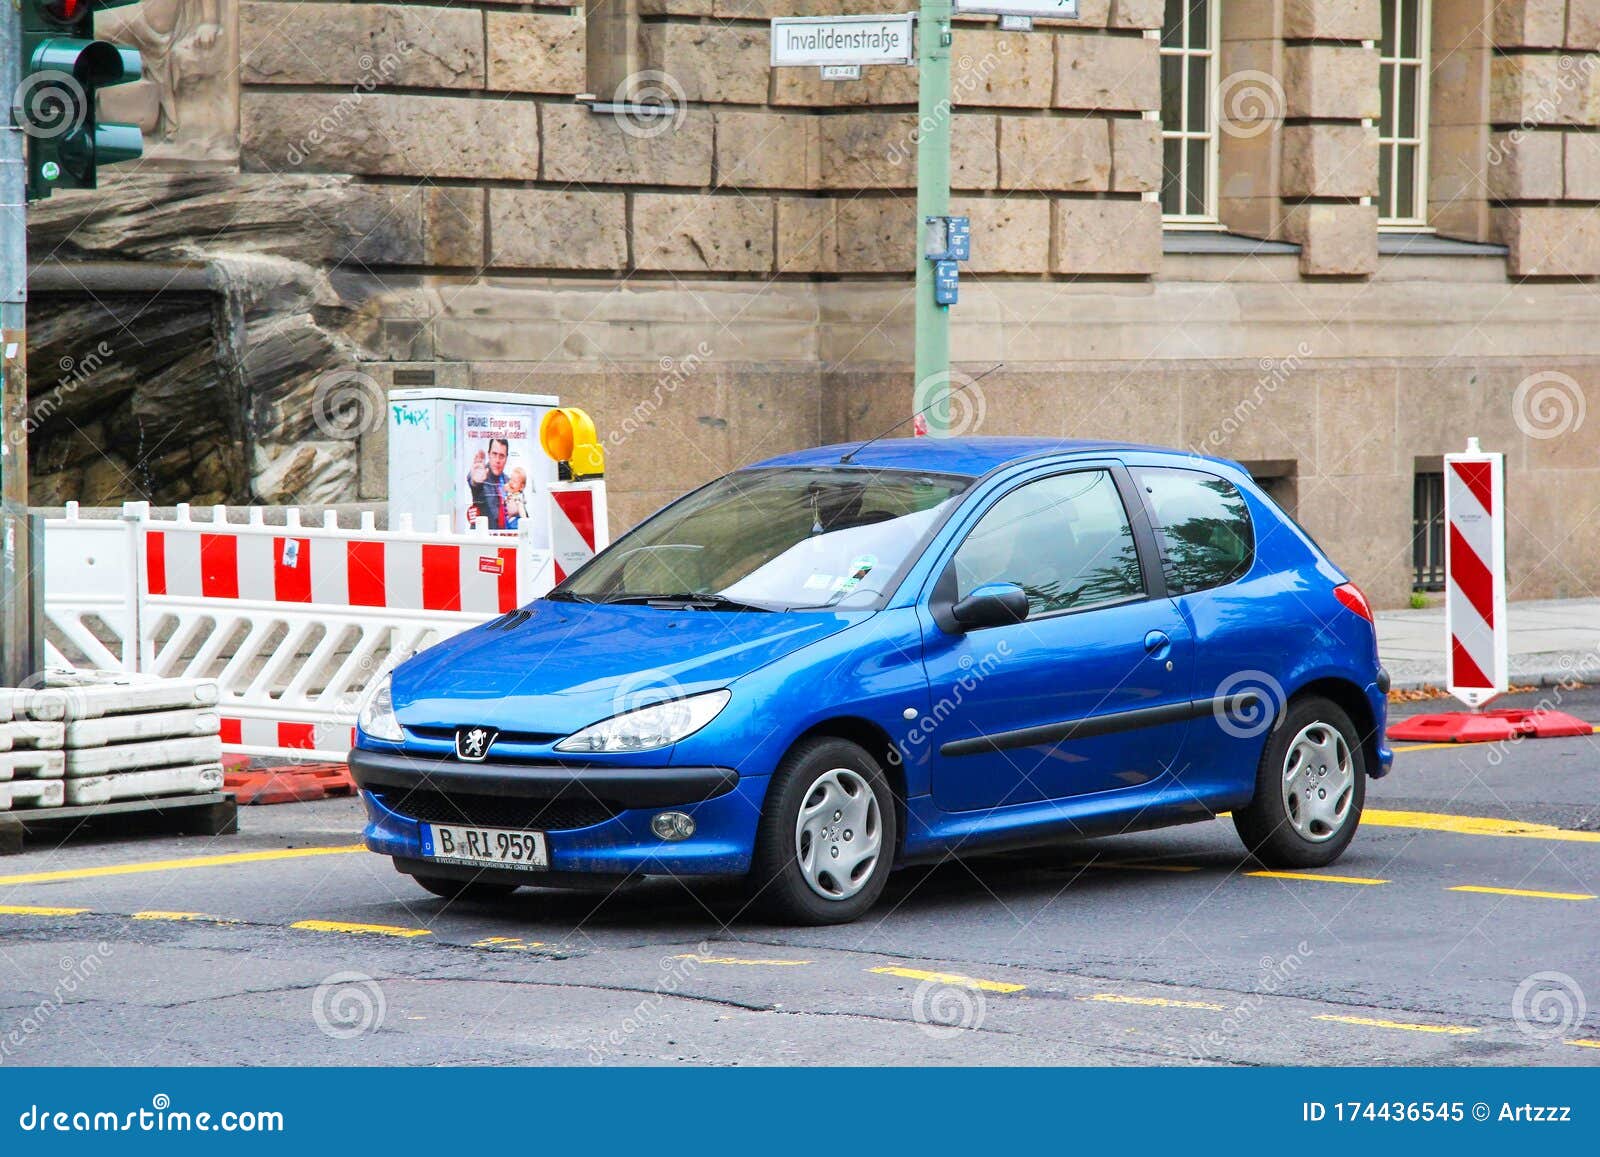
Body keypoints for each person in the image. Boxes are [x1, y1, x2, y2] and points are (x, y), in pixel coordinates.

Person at [466, 437, 510, 529]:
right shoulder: (480, 473)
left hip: (503, 538)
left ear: (506, 458)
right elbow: (474, 483)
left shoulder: (509, 482)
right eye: (494, 454)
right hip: (482, 538)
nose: (497, 460)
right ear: (489, 454)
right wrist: (476, 481)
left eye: (502, 456)